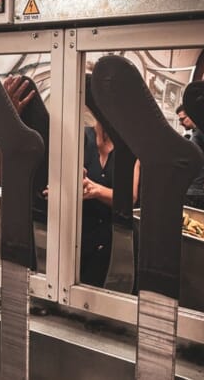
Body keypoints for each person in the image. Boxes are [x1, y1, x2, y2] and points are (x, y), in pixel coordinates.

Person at [80, 118, 140, 287]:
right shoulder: (82, 138)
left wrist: (96, 190)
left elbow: (129, 198)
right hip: (81, 237)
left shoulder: (130, 146)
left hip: (117, 241)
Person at [176, 104, 204, 211]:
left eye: (182, 119)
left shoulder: (201, 131)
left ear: (192, 115)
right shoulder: (196, 133)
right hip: (193, 190)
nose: (181, 123)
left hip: (198, 191)